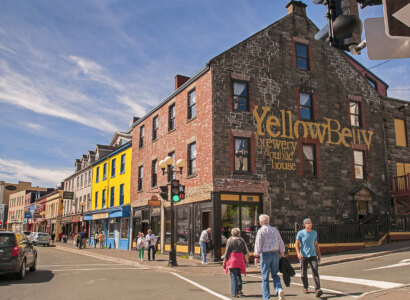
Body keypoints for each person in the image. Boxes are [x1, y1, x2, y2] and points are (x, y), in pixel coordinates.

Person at [254, 214, 286, 300]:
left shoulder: (261, 231)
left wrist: (256, 256)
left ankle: (266, 297)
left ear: (261, 222)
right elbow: (280, 241)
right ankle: (279, 289)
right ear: (268, 221)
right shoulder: (275, 230)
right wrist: (282, 252)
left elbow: (258, 244)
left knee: (265, 276)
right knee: (275, 274)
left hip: (265, 254)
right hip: (275, 253)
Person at [295, 218, 322, 297]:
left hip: (313, 255)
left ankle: (317, 289)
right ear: (304, 225)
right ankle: (305, 287)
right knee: (303, 273)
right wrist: (298, 253)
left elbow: (316, 244)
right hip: (303, 256)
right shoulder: (300, 233)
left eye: (310, 223)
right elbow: (296, 244)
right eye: (308, 223)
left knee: (315, 272)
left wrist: (319, 254)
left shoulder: (314, 233)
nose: (310, 224)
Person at [223, 228, 249, 298]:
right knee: (238, 275)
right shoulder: (242, 241)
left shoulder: (230, 241)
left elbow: (227, 252)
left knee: (233, 276)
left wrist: (224, 261)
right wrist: (247, 262)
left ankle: (235, 292)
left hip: (232, 259)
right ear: (239, 234)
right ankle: (239, 289)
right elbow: (245, 252)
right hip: (240, 259)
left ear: (232, 234)